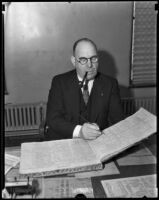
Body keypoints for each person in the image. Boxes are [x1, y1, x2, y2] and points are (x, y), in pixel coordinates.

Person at [46, 38, 125, 140]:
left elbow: (117, 121)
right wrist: (79, 132)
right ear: (74, 61)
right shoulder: (59, 82)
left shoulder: (110, 84)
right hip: (67, 141)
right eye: (83, 60)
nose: (90, 65)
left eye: (93, 58)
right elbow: (53, 119)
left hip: (99, 143)